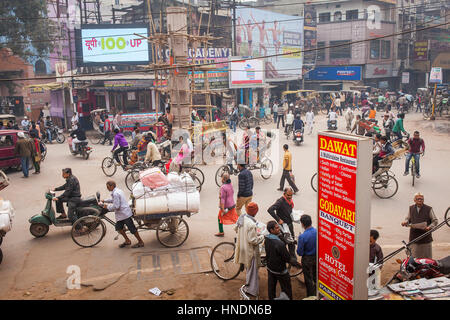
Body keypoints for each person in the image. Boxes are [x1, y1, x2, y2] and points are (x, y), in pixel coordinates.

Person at [100, 180, 144, 249]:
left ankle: (140, 242)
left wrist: (107, 206)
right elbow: (113, 200)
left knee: (132, 229)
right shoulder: (117, 191)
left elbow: (116, 206)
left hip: (125, 214)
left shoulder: (115, 193)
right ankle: (127, 240)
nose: (107, 188)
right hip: (122, 214)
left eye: (108, 187)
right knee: (118, 227)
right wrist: (105, 200)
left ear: (112, 186)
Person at [234, 202, 265, 299]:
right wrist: (262, 237)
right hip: (250, 251)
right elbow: (253, 240)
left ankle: (249, 285)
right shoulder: (251, 224)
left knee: (249, 269)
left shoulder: (242, 218)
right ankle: (251, 290)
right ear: (255, 212)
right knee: (252, 271)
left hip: (242, 246)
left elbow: (235, 228)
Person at [401, 193, 438, 259]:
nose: (420, 200)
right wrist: (405, 222)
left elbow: (435, 221)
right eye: (418, 199)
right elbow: (408, 219)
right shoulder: (411, 208)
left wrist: (429, 227)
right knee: (414, 258)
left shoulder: (428, 209)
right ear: (414, 200)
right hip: (414, 237)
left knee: (426, 258)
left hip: (425, 237)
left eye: (421, 199)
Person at [265, 220, 294, 300]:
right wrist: (295, 263)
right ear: (272, 230)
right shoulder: (279, 244)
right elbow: (287, 258)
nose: (279, 229)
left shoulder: (267, 239)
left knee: (271, 288)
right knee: (286, 289)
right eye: (277, 228)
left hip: (270, 268)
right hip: (280, 270)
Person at [268, 188, 298, 261]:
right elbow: (270, 210)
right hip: (283, 226)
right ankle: (283, 257)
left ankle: (293, 259)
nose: (290, 197)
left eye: (291, 195)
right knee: (283, 242)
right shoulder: (280, 201)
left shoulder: (289, 201)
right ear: (284, 194)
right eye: (288, 195)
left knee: (291, 242)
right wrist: (278, 219)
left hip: (289, 224)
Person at [296, 214, 317, 297]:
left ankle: (310, 296)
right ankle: (317, 293)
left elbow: (300, 253)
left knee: (308, 279)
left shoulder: (302, 236)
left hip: (307, 259)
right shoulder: (317, 232)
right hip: (316, 257)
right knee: (316, 276)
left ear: (302, 224)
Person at [216, 173, 239, 237]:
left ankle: (221, 232)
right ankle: (241, 229)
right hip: (232, 205)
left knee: (219, 217)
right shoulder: (230, 184)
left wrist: (223, 210)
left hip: (226, 206)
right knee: (235, 219)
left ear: (223, 179)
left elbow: (223, 199)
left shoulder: (223, 187)